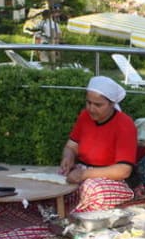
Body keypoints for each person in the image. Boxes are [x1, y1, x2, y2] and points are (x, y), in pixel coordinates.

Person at [59, 76, 139, 212]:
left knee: (91, 189)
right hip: (83, 172)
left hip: (114, 180)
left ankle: (73, 214)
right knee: (55, 181)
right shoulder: (84, 116)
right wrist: (68, 157)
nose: (91, 108)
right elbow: (71, 146)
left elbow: (123, 170)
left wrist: (84, 174)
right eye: (88, 102)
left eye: (98, 105)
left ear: (112, 104)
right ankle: (70, 210)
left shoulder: (125, 124)